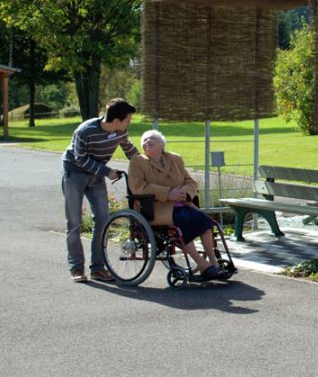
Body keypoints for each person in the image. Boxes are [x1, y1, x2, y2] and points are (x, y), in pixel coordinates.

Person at [127, 129, 226, 280]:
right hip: (154, 208)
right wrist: (168, 193)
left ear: (162, 144)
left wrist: (184, 193)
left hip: (181, 204)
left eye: (151, 139)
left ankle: (214, 263)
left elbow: (190, 182)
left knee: (205, 221)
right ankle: (203, 265)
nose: (147, 142)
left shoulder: (175, 159)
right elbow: (137, 187)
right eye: (144, 140)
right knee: (183, 222)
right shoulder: (137, 161)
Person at [62, 98, 138, 282]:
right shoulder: (85, 131)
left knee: (103, 220)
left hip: (96, 175)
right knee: (74, 223)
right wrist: (107, 172)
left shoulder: (120, 131)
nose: (129, 123)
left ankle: (97, 268)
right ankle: (76, 268)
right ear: (117, 120)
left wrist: (148, 165)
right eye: (128, 120)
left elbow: (129, 149)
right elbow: (80, 158)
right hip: (74, 172)